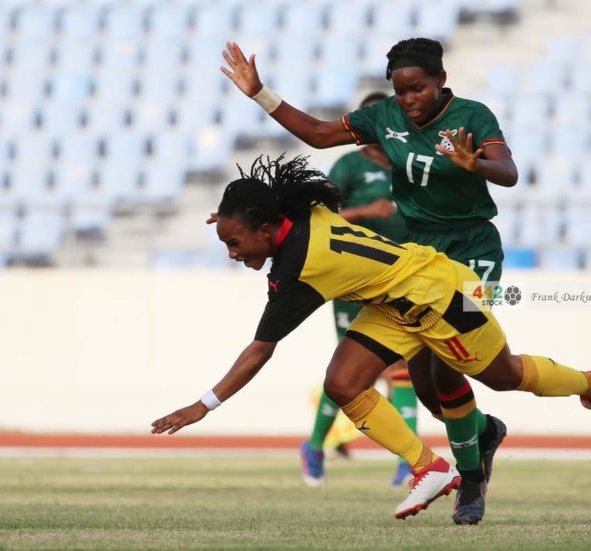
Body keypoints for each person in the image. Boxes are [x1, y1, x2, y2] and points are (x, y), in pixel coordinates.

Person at [151, 155, 591, 524]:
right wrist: (234, 217)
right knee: (343, 382)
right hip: (395, 304)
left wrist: (204, 405)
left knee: (503, 375)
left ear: (268, 231)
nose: (233, 253)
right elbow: (278, 204)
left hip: (443, 294)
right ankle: (429, 467)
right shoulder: (297, 213)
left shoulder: (297, 269)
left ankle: (590, 383)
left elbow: (261, 349)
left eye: (235, 243)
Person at [220, 37, 515, 524]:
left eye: (416, 88)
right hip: (418, 259)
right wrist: (260, 93)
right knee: (424, 386)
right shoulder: (384, 120)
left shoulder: (472, 115)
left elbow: (509, 171)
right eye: (399, 92)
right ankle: (482, 435)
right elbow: (316, 133)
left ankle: (471, 485)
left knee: (452, 365)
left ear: (441, 81)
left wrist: (476, 164)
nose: (406, 99)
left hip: (474, 253)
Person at [300, 91, 418, 488]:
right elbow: (322, 219)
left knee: (403, 369)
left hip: (400, 277)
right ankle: (315, 446)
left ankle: (408, 457)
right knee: (355, 374)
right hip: (354, 279)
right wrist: (367, 212)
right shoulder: (349, 166)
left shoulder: (407, 161)